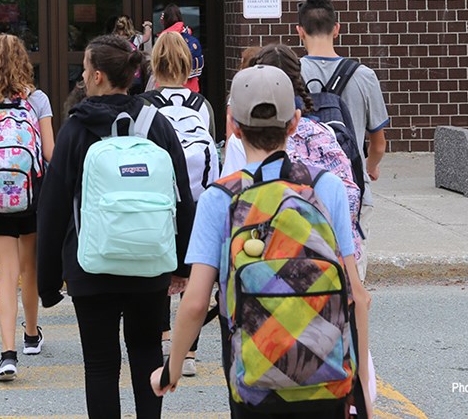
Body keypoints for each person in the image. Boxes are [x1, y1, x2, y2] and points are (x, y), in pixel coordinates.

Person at [151, 65, 372, 419]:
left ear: (234, 126)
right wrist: (361, 391)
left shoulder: (219, 198)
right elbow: (356, 297)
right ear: (295, 122)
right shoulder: (325, 187)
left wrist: (171, 370)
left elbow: (195, 303)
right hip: (327, 379)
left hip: (254, 381)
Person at [37, 34, 196, 419]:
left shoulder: (76, 129)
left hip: (91, 265)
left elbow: (53, 208)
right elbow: (182, 196)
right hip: (150, 263)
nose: (82, 76)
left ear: (97, 76)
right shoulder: (156, 124)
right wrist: (182, 266)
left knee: (101, 364)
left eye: (85, 69)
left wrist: (48, 282)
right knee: (146, 353)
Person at [0, 33, 56, 380]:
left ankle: (7, 355)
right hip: (31, 194)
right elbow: (49, 152)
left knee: (7, 273)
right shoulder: (38, 100)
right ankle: (31, 335)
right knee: (29, 268)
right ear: (24, 62)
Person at [221, 43, 363, 263]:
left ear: (234, 124)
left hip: (258, 259)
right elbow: (347, 252)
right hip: (324, 267)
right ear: (294, 120)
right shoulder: (325, 136)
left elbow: (227, 211)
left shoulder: (238, 147)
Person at [297, 0, 388, 270]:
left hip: (303, 188)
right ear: (337, 28)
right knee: (352, 274)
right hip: (353, 186)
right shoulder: (364, 76)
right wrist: (370, 167)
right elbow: (379, 144)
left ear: (300, 31)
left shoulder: (291, 74)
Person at [148, 30, 218, 377]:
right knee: (193, 273)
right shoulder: (202, 105)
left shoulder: (145, 103)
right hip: (198, 199)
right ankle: (189, 351)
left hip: (161, 198)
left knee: (160, 262)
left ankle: (162, 334)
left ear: (155, 64)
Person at [158, 4, 203, 93]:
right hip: (192, 87)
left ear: (165, 19)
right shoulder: (187, 34)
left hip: (171, 87)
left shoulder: (165, 39)